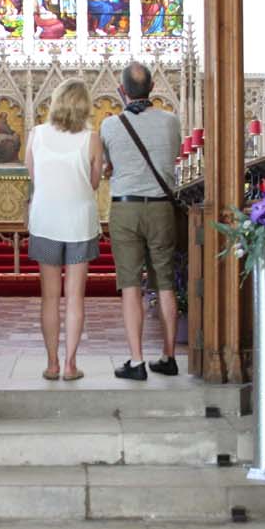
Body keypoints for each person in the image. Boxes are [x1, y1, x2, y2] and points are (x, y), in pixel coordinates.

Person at [100, 62, 182, 380]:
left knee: (131, 286)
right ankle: (169, 356)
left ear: (122, 91)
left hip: (126, 209)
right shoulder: (170, 122)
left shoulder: (109, 126)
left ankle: (136, 361)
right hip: (161, 208)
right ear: (152, 87)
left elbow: (108, 167)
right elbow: (170, 156)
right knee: (165, 283)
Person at [26, 79, 103, 381]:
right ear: (85, 106)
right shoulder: (91, 139)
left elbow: (34, 175)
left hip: (45, 220)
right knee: (74, 297)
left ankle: (51, 363)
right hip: (79, 223)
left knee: (49, 297)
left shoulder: (37, 135)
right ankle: (71, 364)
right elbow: (94, 183)